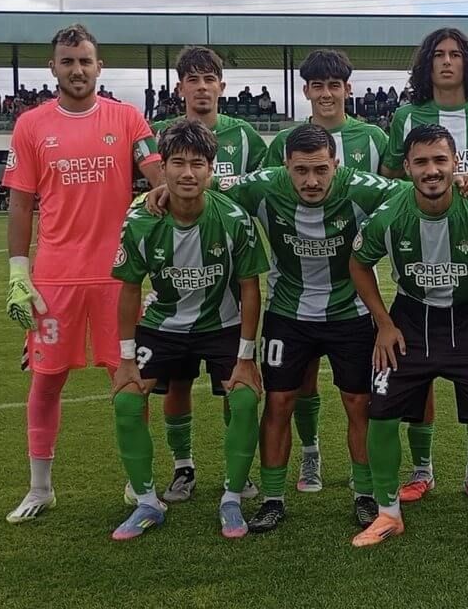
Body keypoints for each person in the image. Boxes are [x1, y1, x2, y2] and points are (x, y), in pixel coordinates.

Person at [2, 23, 163, 523]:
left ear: (99, 67)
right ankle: (40, 487)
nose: (77, 69)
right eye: (68, 61)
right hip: (55, 279)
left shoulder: (128, 119)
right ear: (53, 66)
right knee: (46, 382)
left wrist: (158, 254)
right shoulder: (30, 125)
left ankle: (138, 484)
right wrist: (17, 270)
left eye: (85, 61)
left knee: (128, 379)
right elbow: (21, 203)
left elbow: (159, 179)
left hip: (118, 279)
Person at [212, 124, 401, 532]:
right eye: (301, 171)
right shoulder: (263, 187)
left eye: (321, 170)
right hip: (288, 313)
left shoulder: (363, 188)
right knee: (279, 402)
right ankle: (274, 498)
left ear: (337, 164)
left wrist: (463, 181)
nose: (311, 181)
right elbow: (203, 191)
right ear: (285, 166)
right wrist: (156, 193)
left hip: (349, 312)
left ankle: (365, 495)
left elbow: (414, 192)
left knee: (358, 402)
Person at [349, 123, 468, 551]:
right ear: (407, 166)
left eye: (440, 160)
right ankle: (389, 513)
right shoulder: (389, 215)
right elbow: (358, 263)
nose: (432, 170)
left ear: (456, 164)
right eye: (422, 161)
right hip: (408, 321)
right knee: (383, 412)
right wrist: (383, 324)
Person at [109, 119, 268, 541]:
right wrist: (126, 357)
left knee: (246, 396)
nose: (187, 173)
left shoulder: (233, 218)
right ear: (163, 170)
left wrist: (247, 357)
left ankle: (232, 497)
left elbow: (251, 289)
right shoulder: (142, 218)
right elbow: (128, 290)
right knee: (126, 400)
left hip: (223, 323)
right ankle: (147, 503)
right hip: (163, 324)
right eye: (177, 163)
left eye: (198, 163)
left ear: (211, 169)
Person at [381, 26, 468, 504]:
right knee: (418, 372)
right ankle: (422, 468)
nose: (447, 62)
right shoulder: (406, 116)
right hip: (420, 261)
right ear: (425, 64)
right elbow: (395, 178)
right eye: (438, 55)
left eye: (456, 54)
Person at [262, 49, 389, 490]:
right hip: (290, 295)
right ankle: (310, 453)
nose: (327, 93)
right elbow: (251, 191)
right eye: (318, 86)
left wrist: (459, 182)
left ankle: (368, 486)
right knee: (295, 388)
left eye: (334, 85)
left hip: (351, 290)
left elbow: (397, 190)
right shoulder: (282, 146)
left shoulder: (372, 137)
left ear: (347, 89)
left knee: (359, 396)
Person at [151, 45, 267, 503]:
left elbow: (266, 184)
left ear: (222, 86)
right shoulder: (159, 134)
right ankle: (183, 467)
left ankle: (238, 471)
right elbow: (144, 192)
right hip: (175, 277)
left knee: (233, 382)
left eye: (209, 79)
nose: (202, 87)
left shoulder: (244, 136)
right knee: (176, 382)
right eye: (192, 79)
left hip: (232, 273)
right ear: (180, 87)